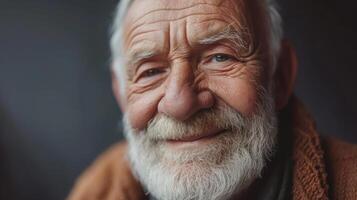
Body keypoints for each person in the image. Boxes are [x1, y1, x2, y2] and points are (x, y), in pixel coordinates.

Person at [68, 0, 357, 199]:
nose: (180, 104)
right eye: (150, 71)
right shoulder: (97, 189)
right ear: (121, 95)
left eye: (220, 57)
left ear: (279, 76)